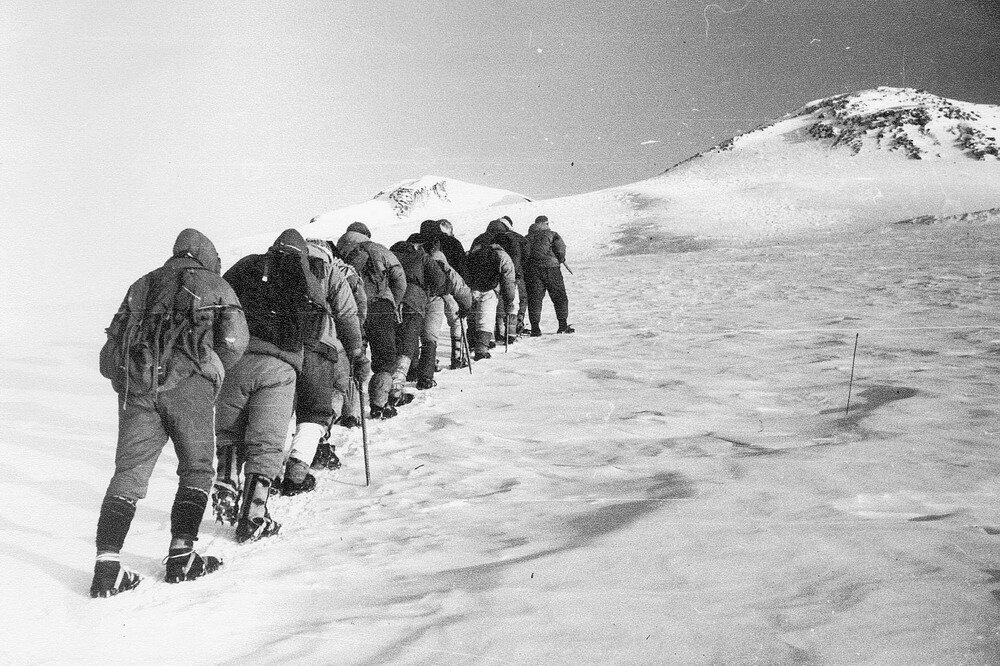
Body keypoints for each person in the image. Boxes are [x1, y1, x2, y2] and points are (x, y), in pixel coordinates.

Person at [92, 229, 248, 597]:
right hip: (189, 385)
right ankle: (182, 555)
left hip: (137, 387)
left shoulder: (141, 284)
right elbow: (235, 342)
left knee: (128, 473)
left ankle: (106, 568)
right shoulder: (215, 285)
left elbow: (109, 349)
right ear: (205, 255)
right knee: (196, 467)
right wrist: (209, 369)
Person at [213, 229, 328, 543]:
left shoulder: (247, 265)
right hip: (279, 367)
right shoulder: (307, 275)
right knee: (267, 440)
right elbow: (316, 325)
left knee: (231, 429)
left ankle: (226, 478)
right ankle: (254, 516)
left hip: (236, 361)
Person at [280, 239, 364, 494]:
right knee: (324, 401)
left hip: (283, 343)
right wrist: (356, 350)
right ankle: (312, 451)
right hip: (324, 343)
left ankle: (269, 466)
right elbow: (349, 314)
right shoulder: (332, 270)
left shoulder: (281, 264)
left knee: (284, 406)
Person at [337, 222, 408, 419]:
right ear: (366, 235)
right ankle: (379, 404)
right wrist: (392, 301)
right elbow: (399, 278)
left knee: (354, 356)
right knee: (385, 358)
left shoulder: (340, 251)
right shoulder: (378, 249)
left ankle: (350, 412)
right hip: (379, 308)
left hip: (351, 308)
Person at [389, 234, 446, 398]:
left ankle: (409, 373)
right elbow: (440, 280)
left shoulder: (389, 257)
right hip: (414, 300)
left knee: (397, 340)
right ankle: (416, 380)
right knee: (415, 337)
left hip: (390, 301)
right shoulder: (421, 256)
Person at [471, 216, 527, 343]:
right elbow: (519, 254)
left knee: (490, 307)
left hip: (487, 276)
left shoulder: (480, 238)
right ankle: (510, 333)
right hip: (509, 272)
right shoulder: (510, 237)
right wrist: (517, 271)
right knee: (510, 302)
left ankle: (492, 336)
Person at [465, 238, 518, 360]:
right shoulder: (502, 255)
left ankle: (472, 344)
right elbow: (509, 282)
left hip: (470, 290)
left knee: (472, 318)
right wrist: (509, 301)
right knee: (485, 320)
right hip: (489, 290)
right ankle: (481, 350)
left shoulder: (470, 254)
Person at [524, 215, 573, 335]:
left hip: (532, 271)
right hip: (552, 269)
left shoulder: (526, 237)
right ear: (545, 223)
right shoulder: (552, 234)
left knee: (534, 299)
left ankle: (535, 328)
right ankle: (562, 325)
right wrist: (561, 258)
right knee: (559, 296)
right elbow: (560, 248)